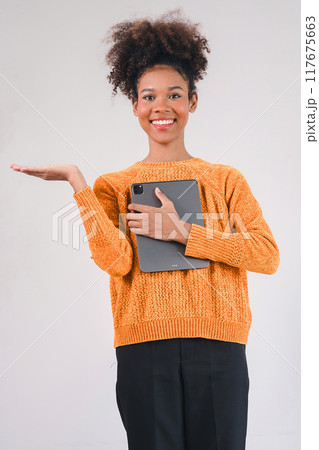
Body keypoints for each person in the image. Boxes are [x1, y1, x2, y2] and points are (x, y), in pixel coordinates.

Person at [9, 8, 280, 450]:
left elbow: (266, 254)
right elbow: (115, 261)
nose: (162, 108)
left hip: (218, 343)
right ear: (135, 105)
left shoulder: (226, 179)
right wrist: (79, 183)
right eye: (149, 96)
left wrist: (182, 231)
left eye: (175, 94)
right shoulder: (113, 187)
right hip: (143, 346)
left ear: (192, 101)